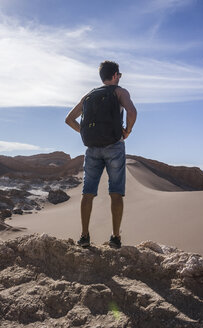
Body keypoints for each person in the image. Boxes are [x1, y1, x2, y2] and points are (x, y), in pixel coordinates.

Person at [65, 60, 137, 248]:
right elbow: (132, 112)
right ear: (114, 76)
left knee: (87, 192)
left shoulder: (88, 95)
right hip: (114, 146)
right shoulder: (120, 92)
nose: (120, 78)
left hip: (92, 148)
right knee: (116, 192)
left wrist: (83, 131)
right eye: (119, 75)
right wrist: (127, 132)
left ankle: (84, 236)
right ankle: (115, 237)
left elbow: (69, 119)